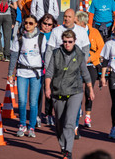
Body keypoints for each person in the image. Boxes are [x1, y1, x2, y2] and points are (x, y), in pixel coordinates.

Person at [45, 30, 94, 159]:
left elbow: (85, 73)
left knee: (69, 122)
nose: (67, 44)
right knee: (59, 123)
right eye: (65, 42)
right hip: (58, 91)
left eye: (70, 42)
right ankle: (62, 145)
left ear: (74, 41)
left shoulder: (79, 54)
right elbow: (49, 72)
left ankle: (68, 150)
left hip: (75, 91)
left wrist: (90, 89)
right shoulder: (56, 53)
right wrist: (47, 88)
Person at [8, 14, 47, 138]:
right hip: (22, 72)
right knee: (22, 101)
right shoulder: (19, 38)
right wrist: (10, 73)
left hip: (36, 73)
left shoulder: (41, 38)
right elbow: (14, 56)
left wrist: (48, 74)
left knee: (33, 102)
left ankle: (31, 127)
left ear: (36, 24)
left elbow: (45, 56)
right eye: (26, 23)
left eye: (31, 23)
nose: (28, 25)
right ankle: (22, 124)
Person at [75, 11, 104, 128]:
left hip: (91, 64)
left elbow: (101, 48)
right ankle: (76, 110)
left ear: (82, 23)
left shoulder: (94, 32)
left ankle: (88, 115)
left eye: (76, 22)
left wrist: (91, 58)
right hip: (77, 64)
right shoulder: (73, 32)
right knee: (76, 90)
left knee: (88, 90)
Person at [37, 13, 58, 127]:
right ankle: (38, 115)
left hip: (51, 68)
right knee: (38, 92)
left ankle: (49, 114)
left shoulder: (54, 35)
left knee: (50, 92)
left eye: (49, 24)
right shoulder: (36, 34)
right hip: (38, 66)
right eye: (44, 23)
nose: (46, 26)